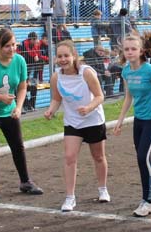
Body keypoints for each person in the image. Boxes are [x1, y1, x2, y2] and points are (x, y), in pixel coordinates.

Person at [0, 28, 43, 205]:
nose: (12, 49)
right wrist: (0, 98)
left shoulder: (19, 61)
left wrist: (18, 107)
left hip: (9, 111)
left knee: (18, 146)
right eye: (7, 46)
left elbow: (22, 86)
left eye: (14, 45)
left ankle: (25, 182)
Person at [44, 40, 110, 211]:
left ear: (74, 56)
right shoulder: (56, 77)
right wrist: (51, 110)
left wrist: (88, 108)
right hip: (73, 122)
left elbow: (99, 96)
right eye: (59, 56)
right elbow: (56, 99)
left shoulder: (86, 73)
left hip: (93, 120)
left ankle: (103, 189)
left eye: (66, 55)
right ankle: (70, 197)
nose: (63, 59)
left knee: (98, 157)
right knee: (69, 157)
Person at [113, 35, 151, 217]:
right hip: (138, 120)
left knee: (142, 157)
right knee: (144, 158)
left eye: (133, 49)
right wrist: (120, 120)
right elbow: (128, 97)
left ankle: (147, 201)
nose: (130, 52)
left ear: (141, 51)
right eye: (127, 49)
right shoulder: (126, 72)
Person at [17, 32, 48, 111]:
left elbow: (38, 56)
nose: (36, 41)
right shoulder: (22, 45)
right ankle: (26, 106)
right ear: (30, 39)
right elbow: (19, 57)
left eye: (37, 39)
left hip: (28, 70)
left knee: (34, 87)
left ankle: (32, 106)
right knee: (21, 88)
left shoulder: (35, 46)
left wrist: (38, 57)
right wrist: (35, 55)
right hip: (20, 73)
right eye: (35, 39)